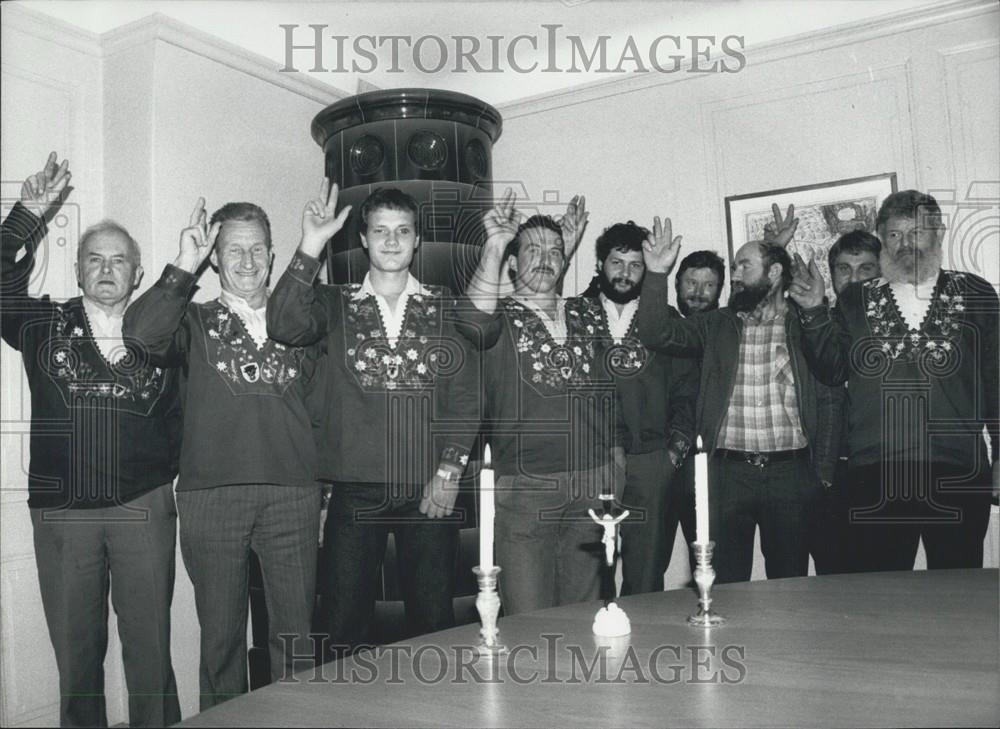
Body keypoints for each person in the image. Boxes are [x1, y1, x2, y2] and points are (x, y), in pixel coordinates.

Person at [1, 153, 181, 727]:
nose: (107, 269)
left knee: (151, 652)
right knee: (77, 660)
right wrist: (28, 213)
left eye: (119, 260)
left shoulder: (167, 332)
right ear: (78, 272)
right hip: (63, 513)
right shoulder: (41, 325)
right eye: (94, 260)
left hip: (145, 505)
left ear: (138, 273)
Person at [123, 197, 320, 710]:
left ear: (275, 256)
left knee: (295, 641)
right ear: (215, 258)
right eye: (234, 249)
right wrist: (183, 263)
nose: (248, 261)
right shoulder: (192, 320)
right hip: (211, 499)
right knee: (222, 643)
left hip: (293, 496)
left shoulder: (299, 319)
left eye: (258, 249)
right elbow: (140, 336)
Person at [267, 182, 479, 659]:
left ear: (417, 239)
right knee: (340, 624)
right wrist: (310, 245)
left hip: (428, 491)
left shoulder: (444, 305)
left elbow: (465, 396)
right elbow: (282, 323)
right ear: (362, 238)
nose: (390, 240)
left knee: (434, 625)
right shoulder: (334, 303)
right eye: (379, 230)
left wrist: (448, 471)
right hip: (353, 488)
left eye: (402, 230)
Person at [791, 190, 999, 572]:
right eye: (894, 235)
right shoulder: (855, 300)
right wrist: (813, 313)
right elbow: (832, 370)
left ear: (937, 233)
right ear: (883, 239)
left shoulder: (976, 293)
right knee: (883, 596)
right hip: (875, 472)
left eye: (916, 232)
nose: (906, 244)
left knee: (958, 594)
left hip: (958, 470)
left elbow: (996, 380)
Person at [635, 216, 840, 584]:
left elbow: (830, 391)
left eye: (744, 265)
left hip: (790, 474)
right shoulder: (717, 324)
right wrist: (655, 275)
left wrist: (821, 473)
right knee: (725, 585)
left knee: (789, 584)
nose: (735, 275)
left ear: (774, 272)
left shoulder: (803, 322)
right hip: (727, 474)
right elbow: (655, 332)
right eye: (734, 267)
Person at [451, 189, 623, 614]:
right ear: (511, 263)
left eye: (555, 253)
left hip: (592, 485)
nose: (545, 260)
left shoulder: (587, 313)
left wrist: (616, 460)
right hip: (525, 491)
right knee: (529, 619)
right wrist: (494, 243)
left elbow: (610, 391)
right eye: (532, 251)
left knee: (587, 615)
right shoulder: (497, 316)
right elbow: (470, 322)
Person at [581, 221, 698, 595]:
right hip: (589, 463)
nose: (625, 273)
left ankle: (644, 651)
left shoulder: (664, 321)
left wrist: (671, 457)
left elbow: (687, 392)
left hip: (650, 462)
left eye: (635, 265)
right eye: (617, 262)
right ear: (600, 264)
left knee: (645, 577)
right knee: (585, 574)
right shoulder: (575, 317)